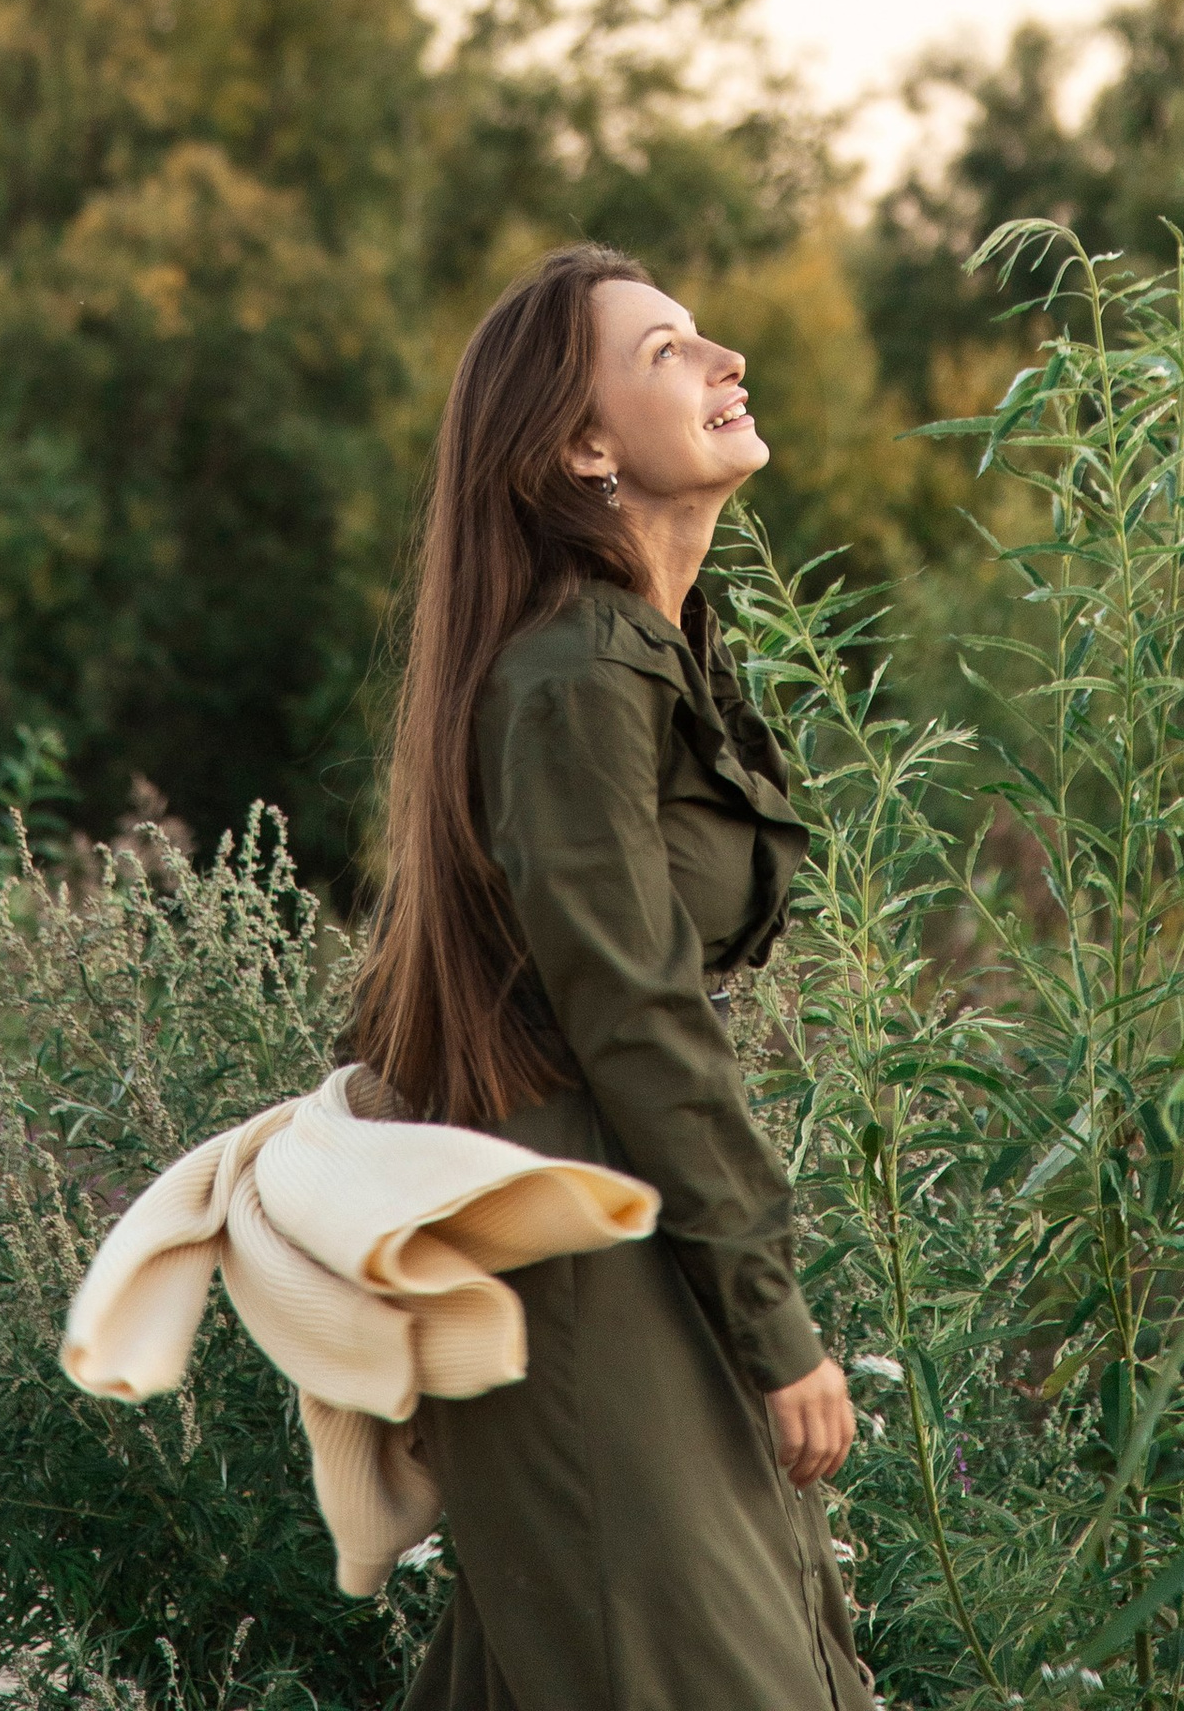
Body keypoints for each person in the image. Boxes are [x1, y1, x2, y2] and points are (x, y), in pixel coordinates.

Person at [356, 242, 869, 1711]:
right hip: (578, 1261)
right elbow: (634, 1017)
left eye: (707, 338)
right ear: (581, 447)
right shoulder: (573, 675)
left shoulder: (650, 655)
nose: (727, 363)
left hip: (625, 1235)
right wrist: (772, 1318)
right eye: (667, 353)